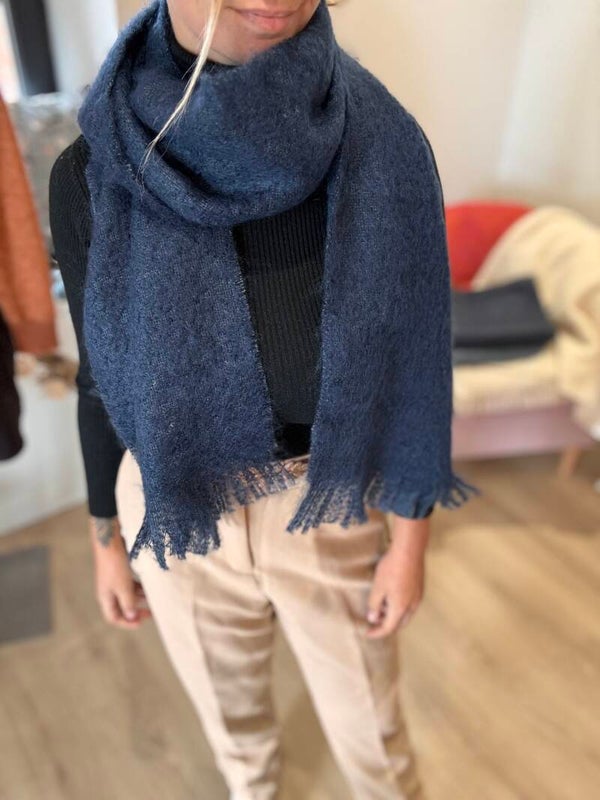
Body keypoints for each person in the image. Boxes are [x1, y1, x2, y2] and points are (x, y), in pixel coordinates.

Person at [49, 1, 479, 798]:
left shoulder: (382, 145)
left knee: (375, 740)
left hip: (326, 502)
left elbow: (416, 356)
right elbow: (102, 374)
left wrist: (410, 541)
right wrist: (105, 532)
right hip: (174, 498)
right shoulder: (94, 168)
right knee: (235, 737)